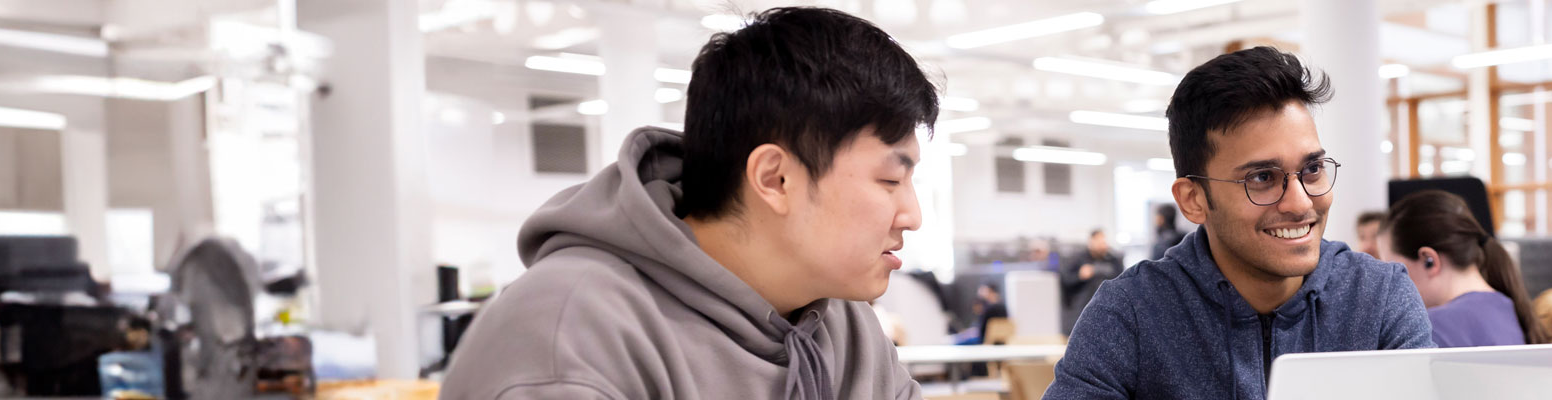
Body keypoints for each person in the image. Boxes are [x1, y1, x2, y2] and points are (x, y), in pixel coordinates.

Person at [439, 7, 937, 399]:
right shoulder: (568, 335)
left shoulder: (841, 328)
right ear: (776, 178)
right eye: (890, 180)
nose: (911, 216)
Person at [1043, 47, 1434, 400]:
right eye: (1262, 177)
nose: (1300, 204)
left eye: (1311, 169)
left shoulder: (1379, 296)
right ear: (1193, 201)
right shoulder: (1131, 312)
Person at [1377, 190, 1552, 347]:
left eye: (1391, 265)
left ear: (1428, 260)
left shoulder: (1430, 328)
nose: (1390, 279)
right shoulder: (1507, 306)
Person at [1060, 229, 1123, 333]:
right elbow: (1066, 281)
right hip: (1082, 310)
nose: (1101, 245)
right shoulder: (1078, 259)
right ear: (1091, 242)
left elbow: (1121, 280)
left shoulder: (1113, 260)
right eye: (1098, 241)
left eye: (1103, 241)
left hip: (1108, 309)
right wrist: (1080, 276)